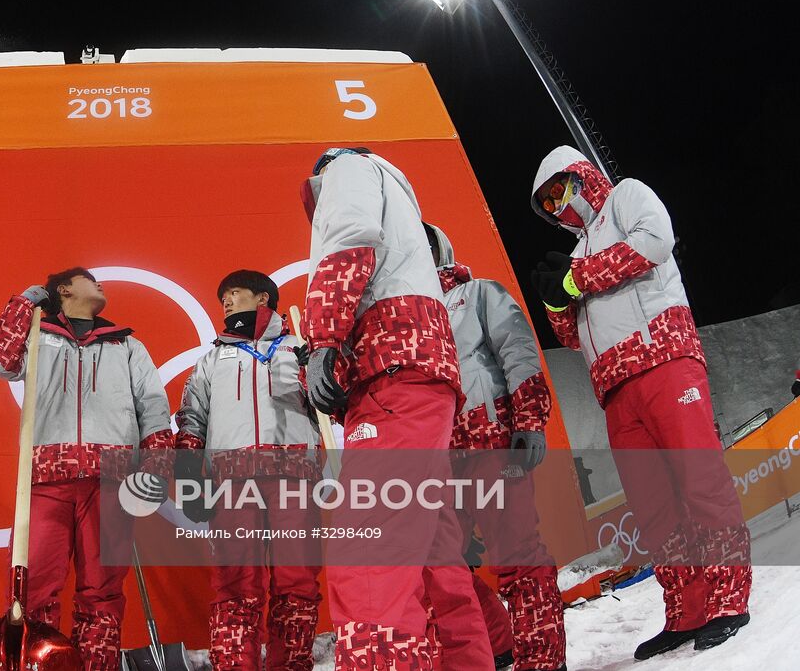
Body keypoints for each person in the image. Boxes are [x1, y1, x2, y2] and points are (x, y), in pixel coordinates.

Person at [530, 146, 751, 658]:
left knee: (701, 483)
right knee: (654, 509)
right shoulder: (577, 252)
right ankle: (687, 610)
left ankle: (727, 600)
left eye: (558, 190)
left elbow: (656, 240)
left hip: (664, 358)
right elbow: (571, 335)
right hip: (615, 389)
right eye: (545, 202)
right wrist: (555, 299)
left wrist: (575, 280)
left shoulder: (627, 196)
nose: (555, 204)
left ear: (580, 177)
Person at [301, 148, 493, 670]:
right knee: (435, 560)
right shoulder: (398, 203)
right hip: (415, 374)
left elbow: (349, 240)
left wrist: (323, 338)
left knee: (368, 552)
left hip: (391, 372)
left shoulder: (347, 168)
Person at [0, 267, 173, 671]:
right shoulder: (37, 334)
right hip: (45, 478)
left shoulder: (126, 345)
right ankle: (38, 665)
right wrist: (22, 305)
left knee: (102, 591)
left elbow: (154, 406)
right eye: (88, 278)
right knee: (31, 588)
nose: (99, 283)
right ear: (64, 289)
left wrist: (156, 465)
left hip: (111, 479)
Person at [425, 223, 565, 671]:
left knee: (519, 557)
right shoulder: (401, 318)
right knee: (442, 570)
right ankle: (497, 646)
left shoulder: (479, 292)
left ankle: (543, 662)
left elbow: (519, 350)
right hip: (436, 460)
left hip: (490, 443)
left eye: (421, 243)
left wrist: (529, 419)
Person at [176, 270, 322, 671]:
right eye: (222, 296)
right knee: (235, 582)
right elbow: (191, 418)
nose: (225, 301)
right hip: (232, 480)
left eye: (234, 294)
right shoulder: (211, 359)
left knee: (298, 580)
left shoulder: (300, 351)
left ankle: (290, 664)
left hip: (293, 475)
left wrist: (323, 371)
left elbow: (331, 403)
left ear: (262, 298)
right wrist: (189, 474)